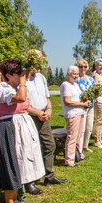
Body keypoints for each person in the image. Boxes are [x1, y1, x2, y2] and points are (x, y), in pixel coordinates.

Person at [0, 59, 45, 203]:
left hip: (21, 125)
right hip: (10, 127)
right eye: (19, 73)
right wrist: (23, 82)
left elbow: (25, 105)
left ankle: (15, 200)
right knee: (12, 163)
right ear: (8, 75)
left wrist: (37, 112)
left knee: (21, 162)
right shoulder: (3, 88)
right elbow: (20, 99)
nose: (22, 76)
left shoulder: (14, 87)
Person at [26, 57, 67, 188]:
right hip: (29, 116)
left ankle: (49, 175)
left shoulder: (41, 78)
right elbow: (22, 102)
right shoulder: (23, 79)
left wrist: (49, 109)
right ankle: (31, 180)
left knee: (49, 144)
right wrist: (37, 113)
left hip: (44, 115)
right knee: (32, 148)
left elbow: (47, 97)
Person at [60, 66, 90, 166]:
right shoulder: (65, 85)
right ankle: (69, 160)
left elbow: (79, 97)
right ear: (68, 74)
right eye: (74, 74)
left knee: (78, 136)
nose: (76, 76)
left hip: (80, 112)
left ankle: (77, 155)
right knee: (72, 137)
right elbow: (67, 101)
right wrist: (83, 104)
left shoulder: (75, 85)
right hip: (72, 114)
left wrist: (86, 101)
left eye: (77, 74)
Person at [75, 58, 95, 153]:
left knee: (89, 127)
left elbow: (95, 90)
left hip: (91, 105)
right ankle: (79, 148)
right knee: (81, 128)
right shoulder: (75, 79)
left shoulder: (90, 78)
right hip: (81, 106)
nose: (83, 68)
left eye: (85, 66)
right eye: (81, 66)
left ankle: (85, 146)